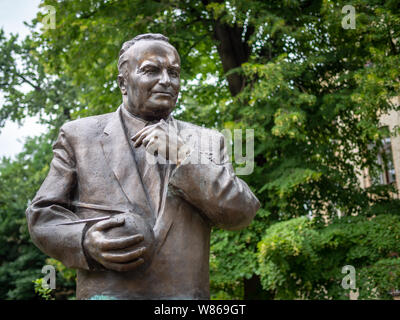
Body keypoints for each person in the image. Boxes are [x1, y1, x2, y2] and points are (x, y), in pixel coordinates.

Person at [26, 33, 260, 300]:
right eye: (151, 70)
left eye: (174, 72)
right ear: (123, 83)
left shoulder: (206, 142)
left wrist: (184, 156)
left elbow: (241, 212)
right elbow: (42, 215)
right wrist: (85, 241)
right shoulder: (79, 136)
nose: (166, 81)